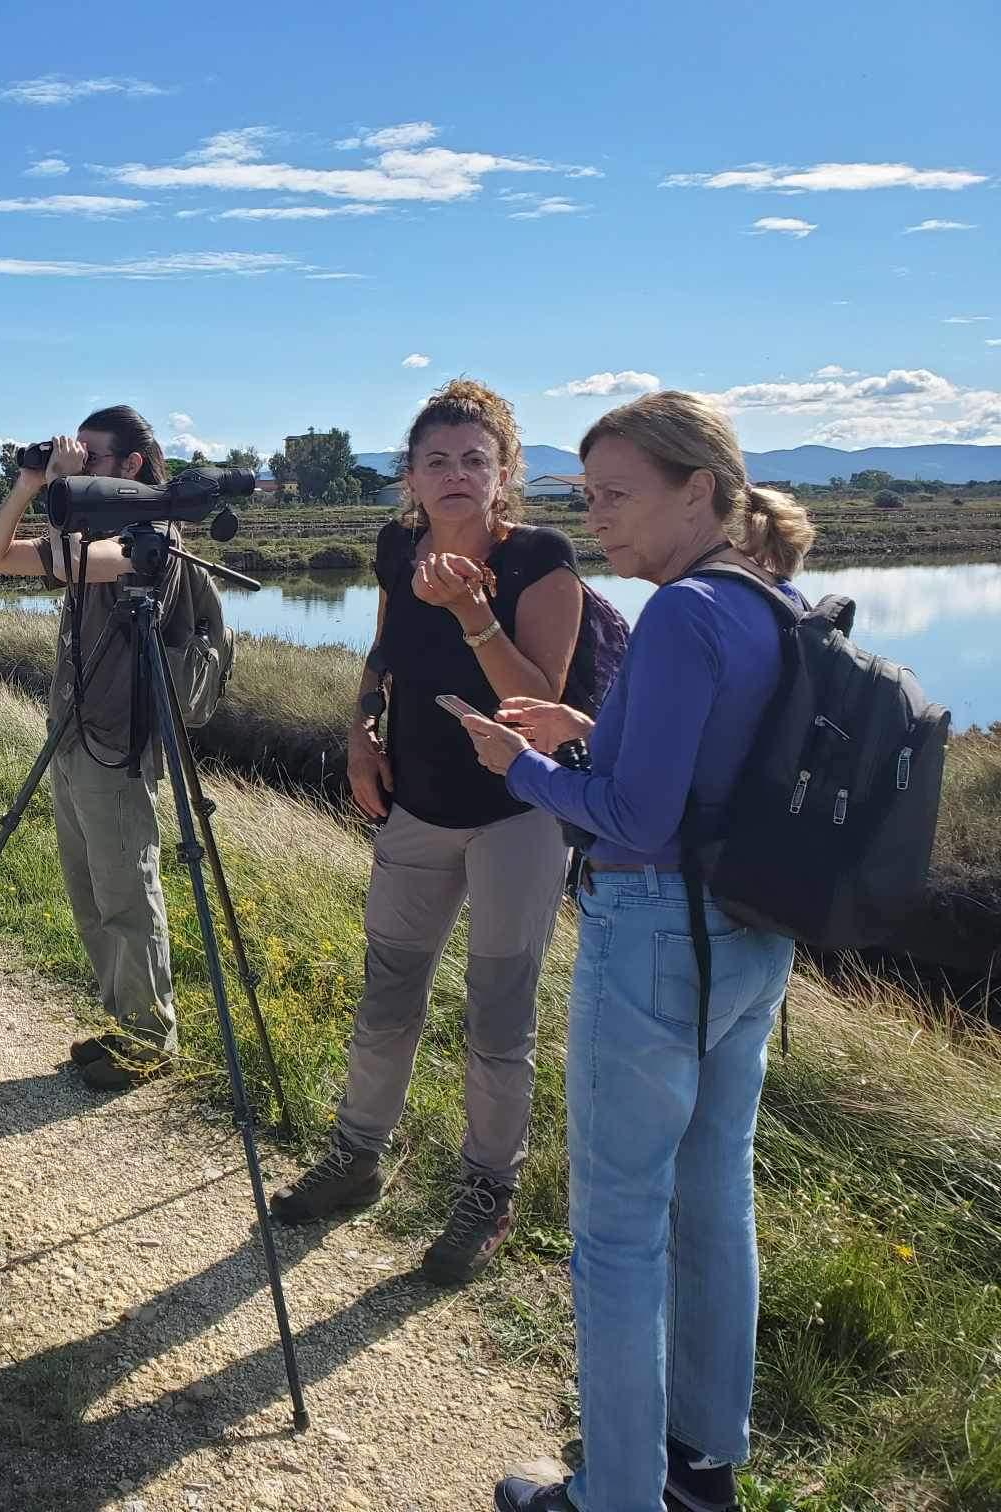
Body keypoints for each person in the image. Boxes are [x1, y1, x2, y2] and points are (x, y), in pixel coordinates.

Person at [465, 392, 813, 1512]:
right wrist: (587, 732)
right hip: (749, 938)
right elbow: (706, 770)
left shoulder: (679, 614)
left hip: (653, 933)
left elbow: (634, 816)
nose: (597, 516)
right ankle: (701, 1470)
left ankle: (612, 1495)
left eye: (616, 494)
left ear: (697, 491)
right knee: (714, 1204)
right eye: (586, 494)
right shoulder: (769, 599)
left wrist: (519, 767)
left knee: (616, 1233)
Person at [269, 379, 583, 1285]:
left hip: (516, 815)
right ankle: (358, 1156)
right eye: (436, 460)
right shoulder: (396, 547)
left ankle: (488, 1192)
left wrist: (473, 614)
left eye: (475, 460)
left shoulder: (543, 561)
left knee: (497, 1018)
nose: (456, 475)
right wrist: (361, 734)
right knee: (387, 995)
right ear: (409, 476)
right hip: (417, 808)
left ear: (504, 473)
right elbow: (383, 653)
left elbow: (540, 708)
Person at [0, 406, 188, 1092]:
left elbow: (71, 564)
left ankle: (150, 1037)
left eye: (90, 457)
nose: (77, 465)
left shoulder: (153, 536)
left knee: (126, 891)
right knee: (90, 891)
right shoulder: (92, 531)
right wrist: (30, 485)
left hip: (115, 742)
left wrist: (62, 490)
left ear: (131, 466)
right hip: (71, 732)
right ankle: (126, 1022)